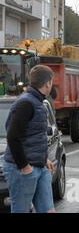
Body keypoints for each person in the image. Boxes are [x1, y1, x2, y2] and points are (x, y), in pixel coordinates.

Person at [2, 65, 56, 213]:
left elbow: (33, 136)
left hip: (39, 166)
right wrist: (24, 166)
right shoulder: (26, 103)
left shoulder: (38, 102)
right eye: (52, 82)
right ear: (47, 83)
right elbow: (12, 136)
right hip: (20, 168)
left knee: (49, 210)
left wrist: (42, 158)